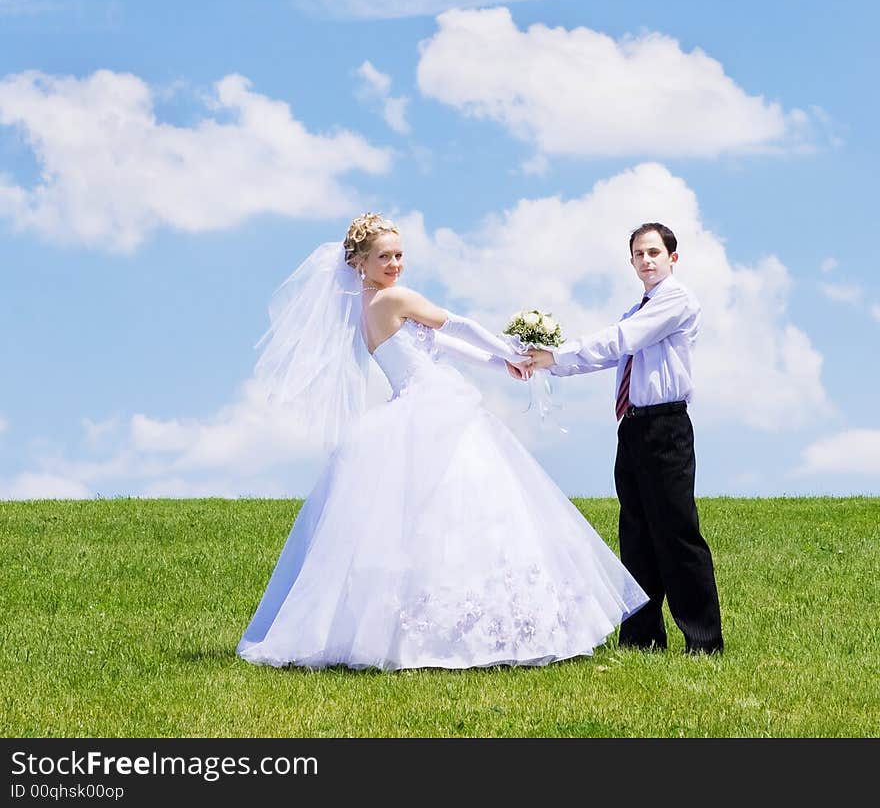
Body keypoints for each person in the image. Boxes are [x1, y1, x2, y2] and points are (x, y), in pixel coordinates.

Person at [236, 212, 648, 671]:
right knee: (470, 507)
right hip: (434, 406)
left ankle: (419, 630)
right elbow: (456, 326)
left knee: (426, 518)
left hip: (417, 403)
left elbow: (438, 347)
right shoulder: (394, 298)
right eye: (383, 256)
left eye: (398, 254)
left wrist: (501, 365)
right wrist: (509, 348)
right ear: (358, 262)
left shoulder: (366, 307)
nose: (394, 264)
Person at [525, 222, 723, 655]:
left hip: (665, 426)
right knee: (635, 532)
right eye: (639, 254)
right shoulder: (635, 310)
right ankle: (641, 638)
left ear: (673, 258)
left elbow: (620, 342)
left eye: (654, 252)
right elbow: (609, 354)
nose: (646, 260)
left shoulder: (674, 301)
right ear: (631, 262)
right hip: (632, 425)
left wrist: (556, 353)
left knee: (676, 532)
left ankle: (704, 641)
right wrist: (547, 364)